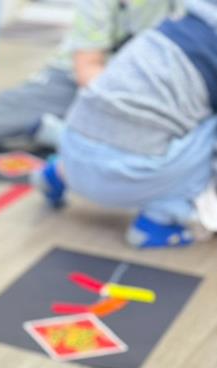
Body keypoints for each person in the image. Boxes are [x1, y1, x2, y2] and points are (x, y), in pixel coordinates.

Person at [0, 0, 181, 162]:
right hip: (87, 81)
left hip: (160, 87)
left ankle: (65, 134)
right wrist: (126, 107)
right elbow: (87, 69)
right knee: (14, 107)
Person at [35, 0, 217, 247]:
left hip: (72, 150)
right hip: (130, 175)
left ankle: (55, 176)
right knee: (208, 128)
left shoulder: (171, 27)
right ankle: (161, 219)